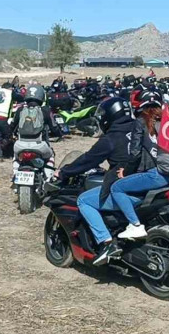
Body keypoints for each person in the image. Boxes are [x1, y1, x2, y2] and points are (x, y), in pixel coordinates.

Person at [55, 97, 134, 265]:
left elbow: (87, 160)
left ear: (111, 115)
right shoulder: (141, 128)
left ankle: (106, 242)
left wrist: (63, 172)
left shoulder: (111, 138)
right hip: (148, 183)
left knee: (84, 200)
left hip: (124, 187)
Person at [109, 91, 169, 241]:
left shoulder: (141, 122)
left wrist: (125, 172)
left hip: (157, 173)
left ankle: (135, 225)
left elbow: (135, 153)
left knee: (117, 187)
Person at [11, 85, 61, 177]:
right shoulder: (45, 110)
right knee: (50, 155)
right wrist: (59, 134)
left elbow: (12, 126)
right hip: (40, 145)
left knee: (16, 157)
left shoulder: (20, 110)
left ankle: (15, 174)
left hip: (20, 145)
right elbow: (54, 128)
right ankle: (48, 177)